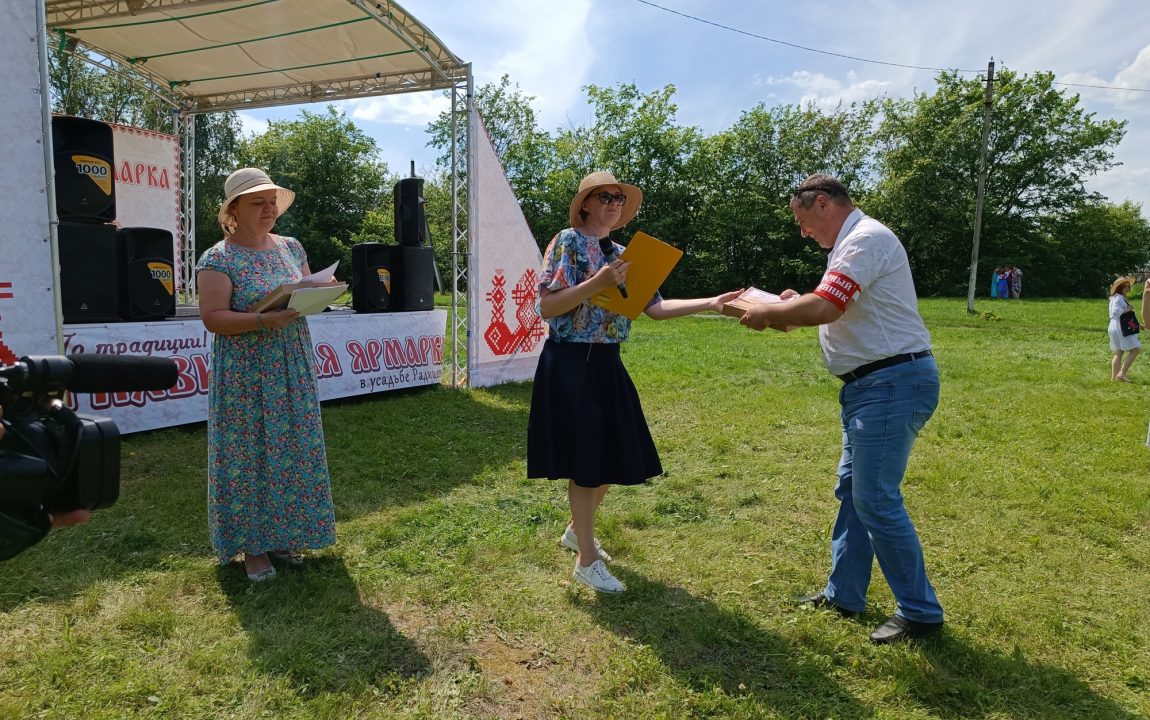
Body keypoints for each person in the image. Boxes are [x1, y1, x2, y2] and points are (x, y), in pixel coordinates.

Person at [740, 174, 943, 644]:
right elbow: (833, 302)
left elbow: (828, 307)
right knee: (854, 493)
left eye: (802, 220)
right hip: (873, 386)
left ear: (824, 202)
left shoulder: (865, 238)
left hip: (890, 383)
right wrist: (790, 304)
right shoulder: (850, 244)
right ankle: (845, 594)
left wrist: (771, 313)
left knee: (873, 497)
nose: (802, 231)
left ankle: (921, 612)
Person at [528, 171, 740, 594]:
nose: (613, 203)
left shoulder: (627, 253)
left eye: (619, 198)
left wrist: (713, 303)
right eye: (604, 196)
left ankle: (577, 532)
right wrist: (598, 283)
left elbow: (656, 309)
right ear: (585, 203)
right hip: (570, 362)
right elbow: (547, 307)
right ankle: (586, 561)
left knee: (616, 450)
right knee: (586, 461)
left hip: (607, 362)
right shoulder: (568, 242)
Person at [196, 168, 337, 582]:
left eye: (271, 200)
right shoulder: (217, 257)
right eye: (258, 202)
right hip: (245, 370)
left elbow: (305, 289)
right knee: (248, 452)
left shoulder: (291, 247)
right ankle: (253, 547)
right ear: (233, 210)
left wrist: (319, 294)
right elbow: (213, 318)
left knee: (292, 446)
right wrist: (261, 320)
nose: (269, 208)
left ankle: (284, 534)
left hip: (289, 359)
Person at [1107, 276, 1140, 383]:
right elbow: (1115, 313)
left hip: (1116, 326)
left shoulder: (1116, 298)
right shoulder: (1118, 298)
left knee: (1119, 352)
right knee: (1135, 349)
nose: (1126, 288)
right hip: (1119, 327)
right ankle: (1121, 374)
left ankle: (1114, 378)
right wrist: (1128, 308)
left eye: (1127, 286)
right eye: (1124, 286)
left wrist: (1139, 325)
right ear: (1119, 288)